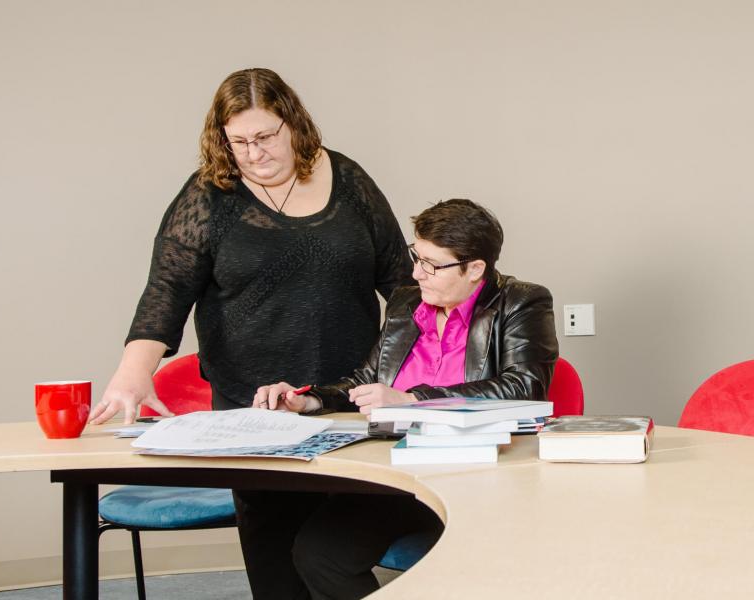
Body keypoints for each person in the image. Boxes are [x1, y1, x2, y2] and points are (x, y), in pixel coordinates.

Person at [87, 67, 412, 598]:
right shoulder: (210, 195)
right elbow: (167, 289)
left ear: (294, 124)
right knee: (278, 560)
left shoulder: (349, 180)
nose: (254, 153)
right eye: (238, 142)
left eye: (265, 137)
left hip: (348, 397)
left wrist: (427, 368)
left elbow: (403, 286)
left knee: (337, 552)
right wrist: (133, 370)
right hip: (253, 408)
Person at [254, 198, 559, 599]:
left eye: (432, 264)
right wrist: (308, 401)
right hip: (395, 475)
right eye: (416, 257)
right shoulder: (406, 303)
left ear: (475, 269)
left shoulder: (521, 302)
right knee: (318, 553)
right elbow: (365, 382)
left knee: (466, 573)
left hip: (479, 479)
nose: (417, 272)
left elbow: (524, 386)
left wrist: (413, 398)